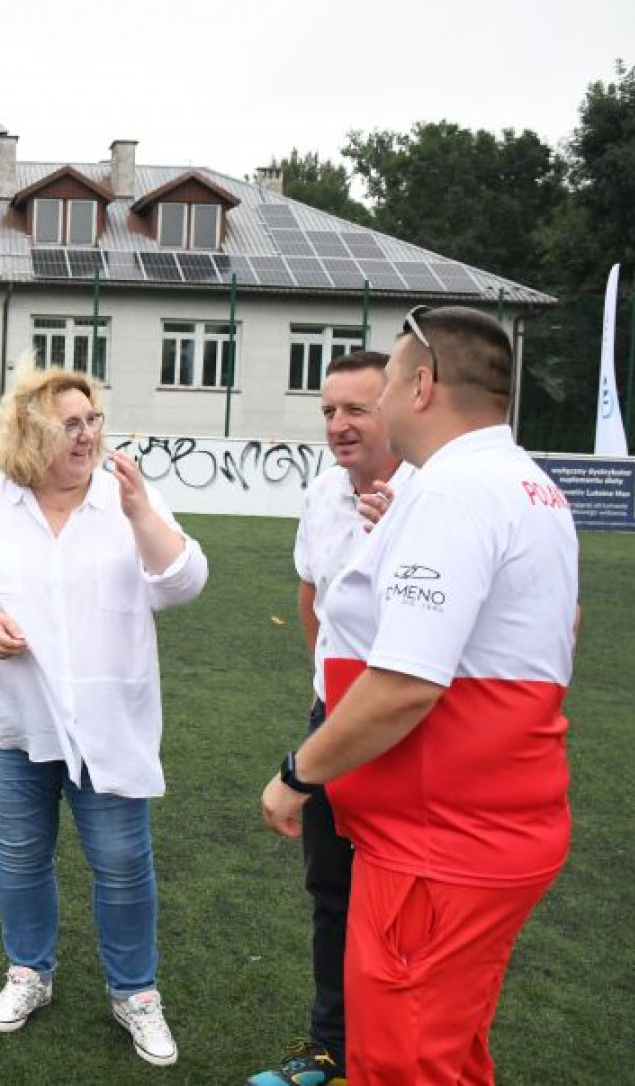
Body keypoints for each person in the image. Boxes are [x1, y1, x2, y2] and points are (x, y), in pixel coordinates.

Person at [261, 306, 579, 1085]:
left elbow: (405, 685)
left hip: (440, 845)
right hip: (478, 828)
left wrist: (299, 773)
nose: (377, 402)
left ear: (423, 385)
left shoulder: (453, 492)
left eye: (389, 382)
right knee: (448, 1052)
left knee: (402, 1063)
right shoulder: (528, 486)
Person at [0, 362, 209, 1068]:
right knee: (21, 857)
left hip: (109, 725)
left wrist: (141, 514)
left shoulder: (127, 502)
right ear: (28, 433)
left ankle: (135, 992)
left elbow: (184, 583)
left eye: (92, 420)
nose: (86, 436)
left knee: (122, 863)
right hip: (15, 724)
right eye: (68, 424)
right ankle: (29, 972)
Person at [250, 351, 410, 1086]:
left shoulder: (430, 498)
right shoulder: (322, 493)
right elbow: (311, 594)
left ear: (397, 409)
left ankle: (394, 1055)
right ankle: (331, 1048)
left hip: (411, 729)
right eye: (328, 411)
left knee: (406, 905)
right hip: (335, 720)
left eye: (357, 409)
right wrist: (326, 689)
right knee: (332, 892)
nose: (339, 425)